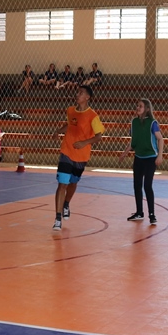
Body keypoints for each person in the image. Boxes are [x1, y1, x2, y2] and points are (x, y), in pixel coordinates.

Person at [53, 85, 104, 231]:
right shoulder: (70, 110)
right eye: (78, 92)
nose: (77, 94)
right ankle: (57, 218)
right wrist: (58, 131)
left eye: (81, 93)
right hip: (67, 151)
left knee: (73, 182)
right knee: (62, 183)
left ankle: (66, 203)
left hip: (81, 155)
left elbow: (99, 136)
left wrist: (84, 142)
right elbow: (70, 125)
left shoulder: (92, 116)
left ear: (87, 97)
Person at [118, 98, 163, 224]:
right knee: (137, 185)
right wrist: (124, 153)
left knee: (147, 185)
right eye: (137, 105)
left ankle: (152, 214)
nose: (138, 108)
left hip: (150, 158)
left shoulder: (152, 123)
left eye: (140, 106)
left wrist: (160, 155)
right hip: (138, 157)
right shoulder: (134, 122)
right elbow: (133, 141)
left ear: (147, 109)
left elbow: (160, 139)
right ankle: (139, 212)